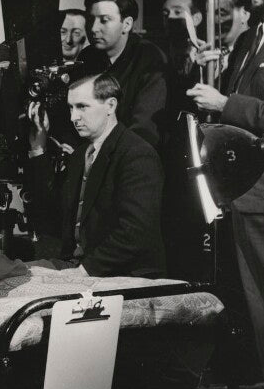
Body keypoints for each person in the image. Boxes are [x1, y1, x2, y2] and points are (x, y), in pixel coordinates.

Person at [187, 0, 264, 375]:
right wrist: (213, 74)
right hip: (242, 192)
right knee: (257, 314)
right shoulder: (249, 39)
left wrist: (226, 102)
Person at [26, 73, 166, 278]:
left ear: (110, 106)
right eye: (71, 108)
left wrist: (83, 271)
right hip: (78, 268)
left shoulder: (137, 155)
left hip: (124, 276)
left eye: (82, 107)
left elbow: (135, 232)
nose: (74, 117)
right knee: (6, 275)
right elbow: (52, 217)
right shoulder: (81, 155)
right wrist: (38, 148)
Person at [77, 0, 168, 147]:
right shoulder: (87, 56)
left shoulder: (150, 58)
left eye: (104, 20)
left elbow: (144, 130)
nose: (93, 29)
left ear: (126, 24)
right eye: (90, 20)